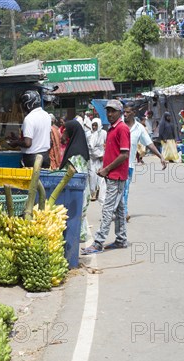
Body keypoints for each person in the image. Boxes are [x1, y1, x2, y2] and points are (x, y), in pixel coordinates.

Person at [81, 100, 130, 255]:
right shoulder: (111, 129)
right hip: (111, 174)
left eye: (112, 111)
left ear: (119, 112)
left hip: (116, 175)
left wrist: (107, 169)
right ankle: (121, 239)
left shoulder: (122, 128)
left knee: (108, 209)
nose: (109, 114)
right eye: (108, 111)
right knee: (120, 209)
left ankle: (98, 242)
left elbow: (124, 154)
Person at [122, 102, 167, 222]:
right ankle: (121, 211)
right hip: (116, 164)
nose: (125, 114)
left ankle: (123, 211)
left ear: (134, 113)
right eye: (124, 112)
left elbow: (149, 143)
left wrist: (160, 156)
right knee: (117, 190)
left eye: (127, 112)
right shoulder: (119, 124)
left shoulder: (139, 128)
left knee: (125, 189)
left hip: (129, 165)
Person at [59, 120, 90, 242]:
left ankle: (76, 236)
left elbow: (74, 173)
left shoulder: (75, 153)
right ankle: (78, 235)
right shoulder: (78, 147)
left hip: (76, 190)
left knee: (74, 213)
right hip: (79, 189)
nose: (64, 133)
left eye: (66, 130)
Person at [9, 90, 51, 168]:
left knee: (31, 180)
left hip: (32, 159)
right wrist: (18, 139)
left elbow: (28, 143)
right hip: (45, 157)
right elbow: (39, 137)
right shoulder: (47, 115)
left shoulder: (29, 118)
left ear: (28, 104)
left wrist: (16, 143)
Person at [87, 118, 106, 201]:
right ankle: (93, 192)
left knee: (100, 176)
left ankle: (100, 192)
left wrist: (104, 154)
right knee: (92, 175)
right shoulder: (89, 134)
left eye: (96, 125)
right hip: (91, 158)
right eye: (93, 125)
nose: (94, 127)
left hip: (100, 157)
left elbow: (107, 144)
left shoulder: (103, 133)